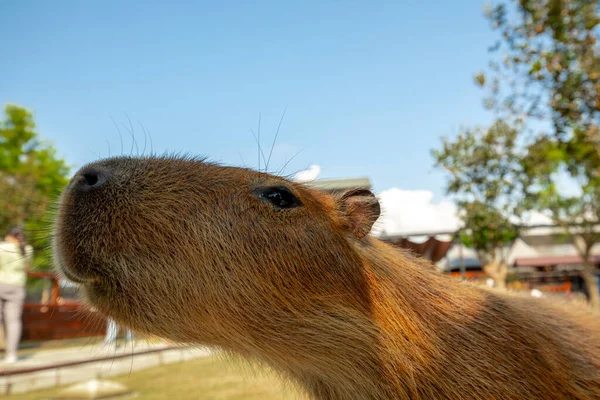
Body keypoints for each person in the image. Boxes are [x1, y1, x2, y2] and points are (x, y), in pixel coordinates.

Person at [0, 226, 33, 364]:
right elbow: (27, 267)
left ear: (10, 235)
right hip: (18, 286)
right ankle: (11, 354)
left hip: (1, 283)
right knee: (13, 321)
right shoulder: (28, 249)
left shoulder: (2, 247)